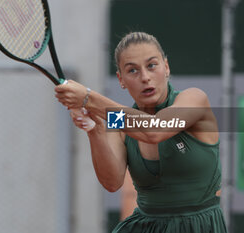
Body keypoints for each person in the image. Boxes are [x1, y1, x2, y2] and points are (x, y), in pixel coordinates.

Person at [55, 32, 227, 233]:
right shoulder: (120, 123)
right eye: (133, 70)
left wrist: (88, 98)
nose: (145, 77)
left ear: (166, 67)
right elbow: (112, 182)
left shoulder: (194, 100)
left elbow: (154, 130)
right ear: (121, 79)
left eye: (152, 66)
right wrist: (96, 129)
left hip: (199, 227)